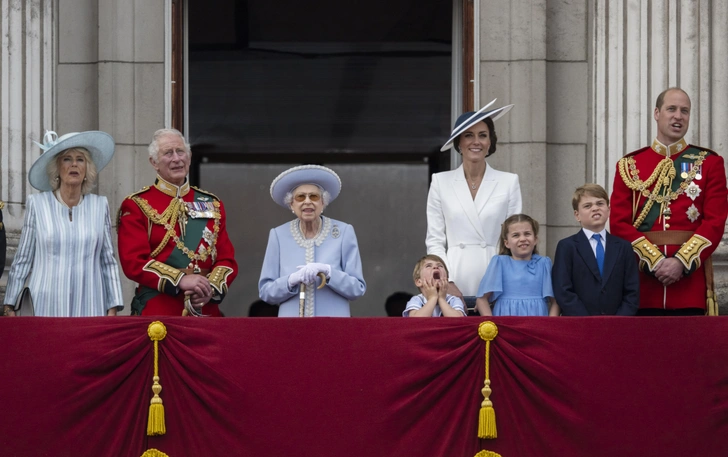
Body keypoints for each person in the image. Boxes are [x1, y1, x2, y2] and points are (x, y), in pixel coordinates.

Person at [610, 88, 728, 316]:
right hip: (642, 286)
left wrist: (681, 263)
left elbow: (715, 222)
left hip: (689, 286)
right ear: (657, 113)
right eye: (671, 109)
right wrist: (654, 262)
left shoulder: (710, 163)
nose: (678, 116)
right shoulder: (629, 165)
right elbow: (618, 224)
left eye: (685, 111)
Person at [117, 128, 238, 316]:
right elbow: (134, 262)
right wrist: (180, 279)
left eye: (180, 151)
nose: (176, 159)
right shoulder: (137, 204)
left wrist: (210, 289)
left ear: (189, 158)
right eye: (168, 153)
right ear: (154, 162)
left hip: (206, 309)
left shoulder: (212, 204)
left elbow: (226, 259)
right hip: (159, 310)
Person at [2, 130, 123, 316]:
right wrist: (10, 304)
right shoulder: (38, 204)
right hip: (45, 306)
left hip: (90, 306)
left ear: (86, 170)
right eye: (67, 159)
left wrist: (112, 307)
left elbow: (108, 261)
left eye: (80, 159)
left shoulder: (100, 206)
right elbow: (23, 259)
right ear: (57, 168)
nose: (74, 164)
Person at [426, 100, 521, 309]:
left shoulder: (509, 181)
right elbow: (435, 240)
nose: (475, 141)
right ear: (458, 143)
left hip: (497, 282)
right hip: (454, 277)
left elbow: (514, 238)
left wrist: (498, 284)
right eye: (468, 135)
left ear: (490, 142)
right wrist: (446, 281)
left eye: (482, 135)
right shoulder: (440, 182)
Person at [259, 165, 366, 317]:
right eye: (300, 197)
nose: (307, 202)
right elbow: (266, 292)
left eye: (314, 197)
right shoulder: (278, 235)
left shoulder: (343, 232)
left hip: (333, 326)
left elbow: (357, 289)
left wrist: (329, 272)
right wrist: (290, 280)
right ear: (292, 204)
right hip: (292, 327)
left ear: (323, 203)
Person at [552, 184, 639, 316]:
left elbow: (632, 290)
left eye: (600, 203)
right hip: (580, 324)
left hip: (617, 325)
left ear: (608, 210)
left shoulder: (623, 247)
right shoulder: (567, 246)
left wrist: (620, 320)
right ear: (577, 215)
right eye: (588, 206)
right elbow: (563, 290)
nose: (595, 208)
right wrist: (587, 321)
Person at [475, 214, 559, 316]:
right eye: (516, 235)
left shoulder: (544, 264)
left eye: (527, 234)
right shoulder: (499, 263)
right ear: (507, 243)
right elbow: (482, 299)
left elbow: (555, 301)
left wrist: (550, 325)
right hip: (505, 322)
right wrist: (491, 324)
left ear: (535, 239)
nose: (522, 238)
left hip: (537, 323)